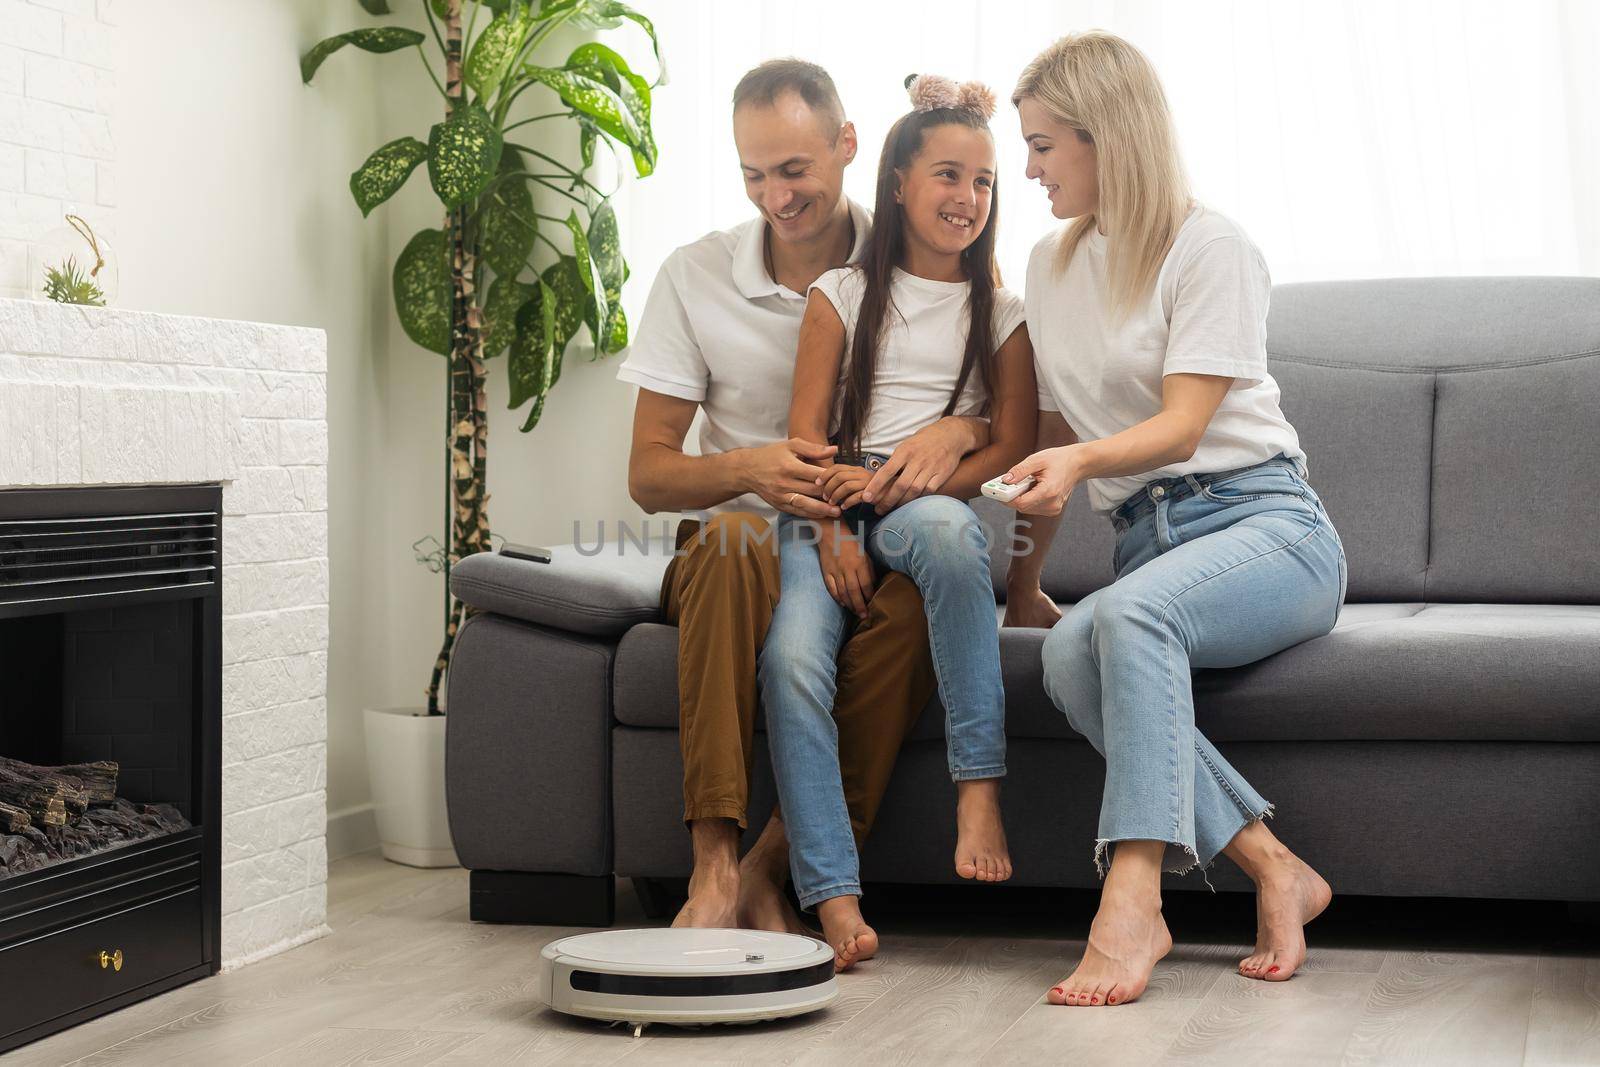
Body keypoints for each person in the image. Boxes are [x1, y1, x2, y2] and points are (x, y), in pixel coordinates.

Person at [998, 32, 1348, 1007]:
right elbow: (1058, 430)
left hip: (1264, 525)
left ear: (1105, 136)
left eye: (1041, 145)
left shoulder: (1212, 246)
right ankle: (1277, 866)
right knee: (1070, 654)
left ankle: (1135, 895)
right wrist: (1021, 569)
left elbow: (1185, 422)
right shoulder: (1048, 262)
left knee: (1129, 617)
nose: (1025, 169)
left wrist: (1073, 459)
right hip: (1144, 541)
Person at [618, 59, 989, 938]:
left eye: (794, 171)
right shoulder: (695, 275)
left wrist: (966, 433)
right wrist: (751, 469)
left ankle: (773, 865)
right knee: (735, 544)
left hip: (869, 543)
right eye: (753, 174)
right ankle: (712, 865)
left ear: (849, 145)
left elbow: (1002, 395)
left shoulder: (917, 258)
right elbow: (648, 474)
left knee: (914, 607)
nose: (775, 197)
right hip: (740, 550)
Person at [764, 74, 1038, 968]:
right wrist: (832, 526)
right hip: (836, 497)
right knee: (792, 659)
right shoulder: (840, 295)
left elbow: (1015, 444)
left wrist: (949, 457)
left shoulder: (1001, 311)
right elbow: (804, 439)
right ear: (896, 184)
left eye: (985, 182)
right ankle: (832, 895)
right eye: (949, 176)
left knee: (957, 544)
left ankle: (980, 784)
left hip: (933, 501)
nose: (968, 199)